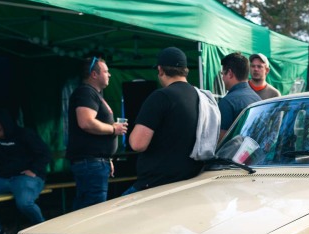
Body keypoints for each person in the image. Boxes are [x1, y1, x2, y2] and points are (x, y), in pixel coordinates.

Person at [124, 47, 206, 194]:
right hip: (191, 182)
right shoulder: (202, 98)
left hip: (156, 185)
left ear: (160, 70)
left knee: (116, 213)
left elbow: (138, 144)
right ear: (185, 70)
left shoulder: (160, 97)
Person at [0, 111, 51, 234]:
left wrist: (34, 170)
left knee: (25, 204)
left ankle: (43, 232)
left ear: (6, 125)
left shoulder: (25, 134)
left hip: (26, 177)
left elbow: (45, 153)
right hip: (5, 178)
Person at [66, 56, 127, 210]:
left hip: (95, 162)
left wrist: (106, 158)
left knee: (84, 208)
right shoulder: (86, 93)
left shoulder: (94, 94)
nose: (110, 75)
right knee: (92, 210)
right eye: (106, 71)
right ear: (94, 74)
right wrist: (114, 129)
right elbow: (86, 122)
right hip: (91, 163)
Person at [218, 52, 260, 138]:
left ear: (230, 73)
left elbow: (221, 142)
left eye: (223, 74)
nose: (222, 78)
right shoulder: (258, 99)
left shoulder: (227, 102)